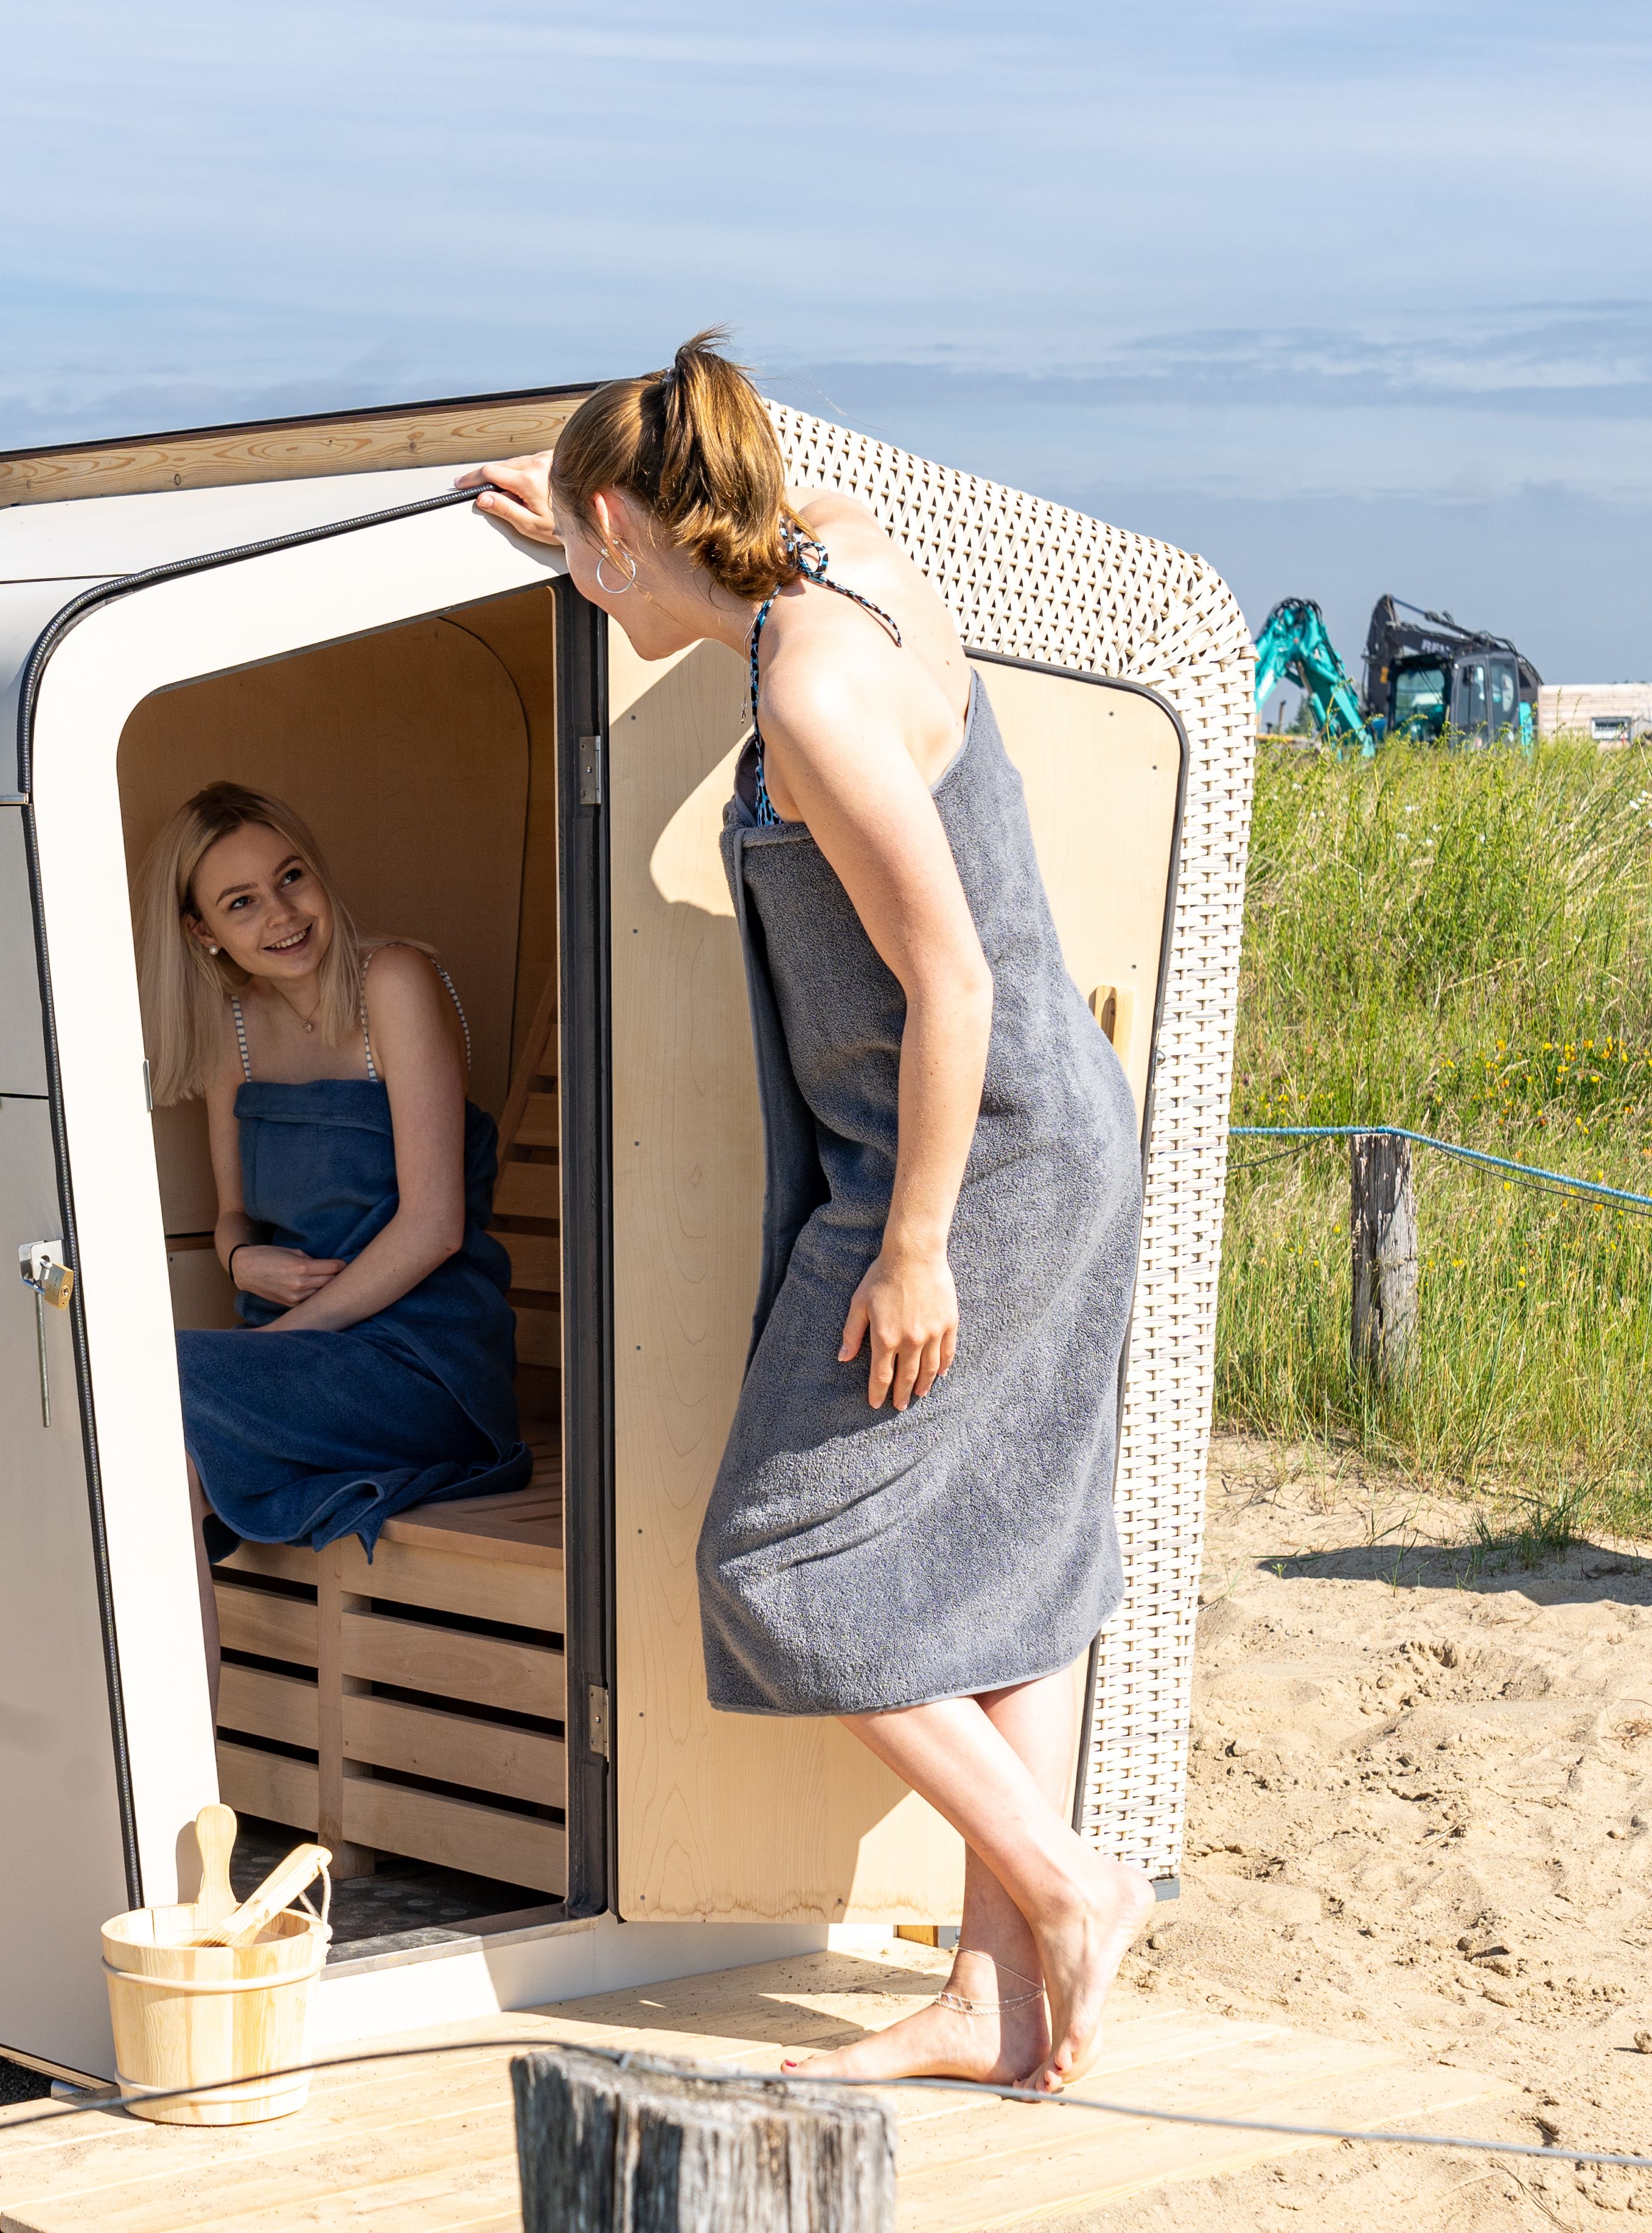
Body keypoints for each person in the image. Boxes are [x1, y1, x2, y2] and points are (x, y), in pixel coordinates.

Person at [464, 333, 1151, 2094]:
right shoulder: (838, 547)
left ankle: (1070, 1882)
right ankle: (994, 1996)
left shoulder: (811, 698)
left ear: (626, 515)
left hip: (971, 1161)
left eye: (583, 542)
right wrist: (577, 551)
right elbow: (712, 555)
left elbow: (953, 985)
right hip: (1040, 1143)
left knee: (772, 1568)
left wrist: (914, 1242)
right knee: (1006, 1564)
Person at [139, 781, 528, 1563]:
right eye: (240, 903)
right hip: (290, 1362)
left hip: (424, 1364)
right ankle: (163, 1691)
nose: (281, 915)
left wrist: (276, 1342)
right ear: (203, 931)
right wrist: (241, 1259)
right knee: (154, 1470)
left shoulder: (394, 981)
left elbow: (434, 1227)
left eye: (290, 877)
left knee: (137, 1379)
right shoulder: (232, 1025)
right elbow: (232, 1219)